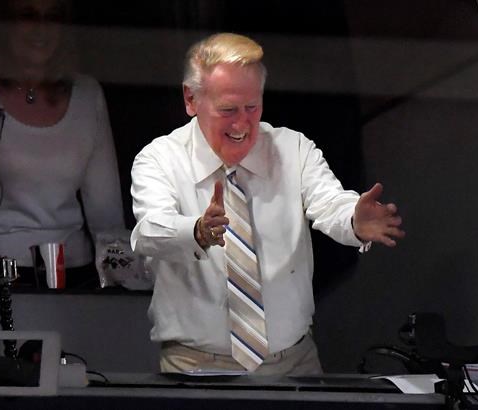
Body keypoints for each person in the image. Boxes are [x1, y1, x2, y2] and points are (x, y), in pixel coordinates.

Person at [130, 32, 404, 375]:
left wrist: (353, 220)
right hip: (196, 366)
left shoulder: (292, 149)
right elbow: (149, 233)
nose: (242, 124)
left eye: (252, 107)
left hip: (293, 363)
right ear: (190, 98)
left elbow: (330, 203)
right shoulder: (160, 159)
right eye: (227, 110)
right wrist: (197, 231)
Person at [0, 0, 125, 289]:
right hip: (4, 271)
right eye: (28, 15)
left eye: (52, 17)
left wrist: (119, 280)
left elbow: (105, 207)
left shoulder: (87, 94)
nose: (41, 28)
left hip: (78, 271)